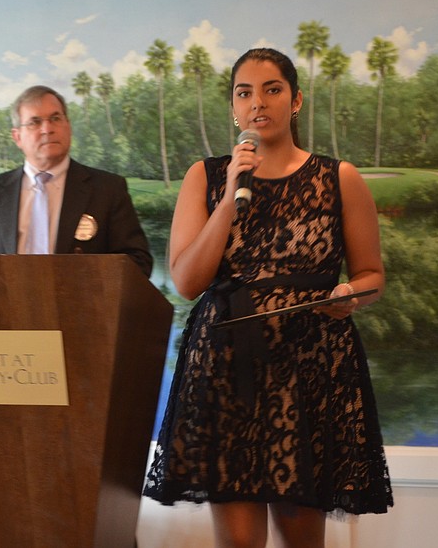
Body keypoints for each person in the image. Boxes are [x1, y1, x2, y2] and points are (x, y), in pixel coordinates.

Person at [143, 48, 393, 548]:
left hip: (310, 368)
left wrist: (349, 295)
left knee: (303, 540)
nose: (258, 102)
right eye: (244, 92)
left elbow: (371, 275)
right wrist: (232, 194)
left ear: (295, 99)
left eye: (272, 89)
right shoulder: (205, 176)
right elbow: (186, 282)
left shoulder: (338, 177)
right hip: (225, 369)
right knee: (238, 544)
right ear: (233, 108)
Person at [0, 85, 153, 277]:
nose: (47, 129)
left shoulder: (107, 190)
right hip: (5, 311)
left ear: (68, 126)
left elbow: (138, 262)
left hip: (83, 310)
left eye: (55, 118)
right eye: (35, 122)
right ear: (17, 137)